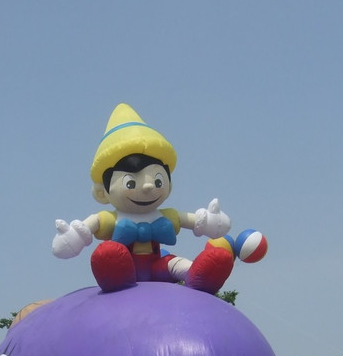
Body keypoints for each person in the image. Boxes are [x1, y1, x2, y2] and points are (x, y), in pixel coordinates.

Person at [52, 103, 237, 294]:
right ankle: (115, 276)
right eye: (130, 183)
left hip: (158, 265)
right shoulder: (111, 219)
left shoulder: (164, 216)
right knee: (108, 254)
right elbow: (85, 229)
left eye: (158, 181)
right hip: (125, 266)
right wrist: (71, 237)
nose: (149, 187)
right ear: (102, 192)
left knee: (176, 263)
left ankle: (200, 275)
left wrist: (211, 221)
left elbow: (195, 221)